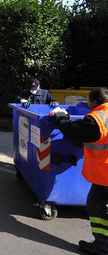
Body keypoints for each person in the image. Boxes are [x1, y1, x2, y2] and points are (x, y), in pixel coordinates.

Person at [55, 88, 108, 255]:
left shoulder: (98, 118)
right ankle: (103, 244)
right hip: (103, 174)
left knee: (96, 203)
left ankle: (103, 245)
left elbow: (72, 132)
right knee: (95, 201)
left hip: (105, 171)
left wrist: (60, 118)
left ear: (93, 102)